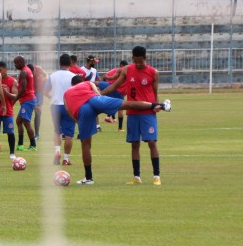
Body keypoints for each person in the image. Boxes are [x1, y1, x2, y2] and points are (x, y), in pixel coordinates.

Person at [64, 75, 171, 185]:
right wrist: (100, 100)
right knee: (128, 104)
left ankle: (88, 178)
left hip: (82, 109)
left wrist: (78, 121)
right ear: (81, 82)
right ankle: (160, 105)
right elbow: (95, 89)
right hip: (95, 99)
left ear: (72, 85)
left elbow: (68, 110)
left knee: (86, 145)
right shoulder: (86, 83)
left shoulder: (67, 93)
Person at [100, 46, 166, 185]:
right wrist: (99, 95)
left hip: (148, 112)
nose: (138, 64)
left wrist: (157, 105)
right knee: (134, 144)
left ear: (145, 58)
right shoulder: (127, 70)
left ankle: (156, 176)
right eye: (136, 61)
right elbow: (115, 86)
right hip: (132, 112)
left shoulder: (153, 72)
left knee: (152, 142)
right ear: (132, 58)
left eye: (140, 61)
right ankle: (136, 177)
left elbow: (155, 92)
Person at [43, 54, 78, 166]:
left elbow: (45, 91)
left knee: (57, 131)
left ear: (60, 63)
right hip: (68, 105)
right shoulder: (73, 76)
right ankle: (66, 159)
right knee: (69, 135)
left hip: (55, 105)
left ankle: (57, 151)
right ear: (70, 63)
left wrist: (51, 97)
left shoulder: (53, 75)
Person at [0, 61, 18, 159]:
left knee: (10, 132)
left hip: (8, 111)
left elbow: (15, 96)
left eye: (0, 70)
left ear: (5, 69)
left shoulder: (13, 81)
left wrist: (6, 93)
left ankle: (12, 152)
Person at [12, 56, 37, 152]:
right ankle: (20, 144)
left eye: (16, 63)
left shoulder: (23, 72)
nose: (15, 65)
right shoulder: (28, 70)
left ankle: (33, 145)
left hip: (28, 100)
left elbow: (23, 89)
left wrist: (15, 99)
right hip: (28, 100)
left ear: (21, 62)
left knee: (26, 122)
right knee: (19, 121)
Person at [98, 59, 128, 131]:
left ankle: (106, 118)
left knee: (105, 104)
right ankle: (120, 128)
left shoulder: (115, 70)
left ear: (120, 65)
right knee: (120, 109)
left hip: (110, 89)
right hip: (119, 92)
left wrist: (102, 82)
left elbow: (106, 76)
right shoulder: (127, 71)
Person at [29, 62, 47, 141]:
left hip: (38, 92)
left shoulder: (38, 68)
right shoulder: (25, 72)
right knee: (27, 114)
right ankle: (30, 132)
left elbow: (46, 75)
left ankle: (37, 134)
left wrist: (44, 83)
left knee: (38, 113)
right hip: (30, 92)